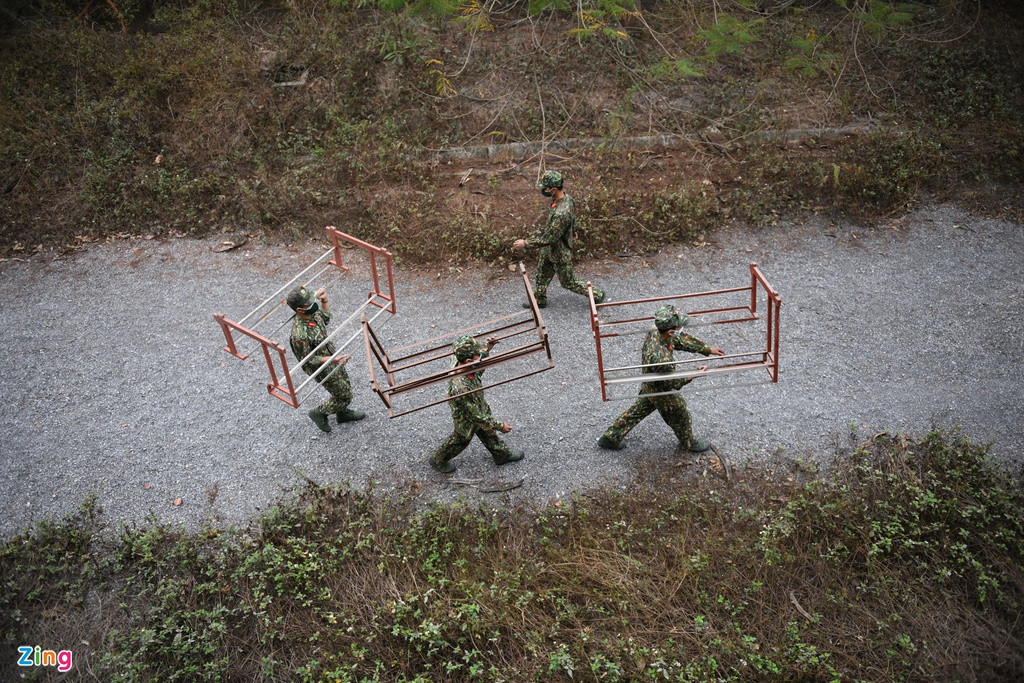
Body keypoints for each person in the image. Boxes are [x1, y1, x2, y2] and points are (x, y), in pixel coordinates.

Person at [598, 304, 725, 452]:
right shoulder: (661, 359)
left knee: (640, 408)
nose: (681, 330)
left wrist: (706, 349)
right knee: (681, 414)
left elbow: (679, 340)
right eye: (679, 328)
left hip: (650, 383)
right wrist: (692, 374)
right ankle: (689, 443)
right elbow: (672, 381)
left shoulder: (656, 331)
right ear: (671, 331)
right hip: (662, 389)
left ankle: (610, 437)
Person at [429, 335, 524, 473]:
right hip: (466, 418)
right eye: (478, 356)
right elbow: (476, 417)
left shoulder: (461, 359)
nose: (480, 358)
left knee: (487, 430)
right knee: (461, 438)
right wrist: (500, 426)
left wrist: (487, 348)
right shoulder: (460, 388)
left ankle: (501, 455)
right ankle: (437, 459)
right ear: (468, 361)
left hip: (476, 405)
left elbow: (477, 367)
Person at [513, 169, 606, 308]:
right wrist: (573, 232)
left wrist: (525, 243)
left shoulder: (561, 213)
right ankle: (539, 299)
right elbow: (573, 219)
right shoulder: (567, 198)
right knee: (542, 273)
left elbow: (549, 238)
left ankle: (597, 294)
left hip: (559, 251)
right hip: (550, 248)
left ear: (554, 189)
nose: (543, 190)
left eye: (545, 188)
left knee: (568, 282)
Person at [287, 285, 365, 433]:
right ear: (299, 310)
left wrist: (324, 301)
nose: (312, 304)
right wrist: (332, 360)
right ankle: (319, 412)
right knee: (344, 395)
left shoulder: (313, 314)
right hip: (320, 367)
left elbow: (326, 318)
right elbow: (308, 360)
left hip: (331, 355)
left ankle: (342, 413)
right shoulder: (299, 335)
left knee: (344, 382)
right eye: (308, 303)